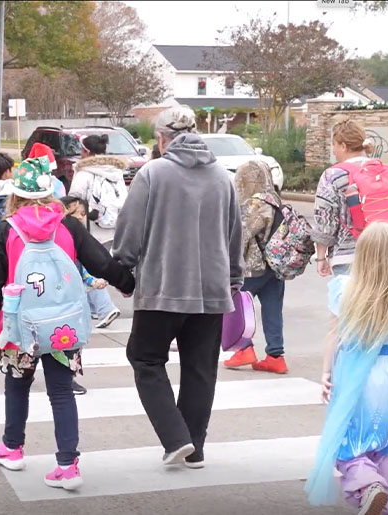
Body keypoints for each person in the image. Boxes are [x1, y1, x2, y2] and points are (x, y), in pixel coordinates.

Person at [0, 157, 134, 490]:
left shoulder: (6, 231)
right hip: (64, 326)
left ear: (14, 194)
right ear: (50, 192)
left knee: (17, 386)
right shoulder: (69, 226)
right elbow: (101, 262)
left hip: (19, 327)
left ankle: (12, 448)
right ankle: (67, 465)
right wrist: (127, 283)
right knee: (61, 392)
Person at [112, 105, 244, 469]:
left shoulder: (152, 173)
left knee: (144, 358)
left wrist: (123, 268)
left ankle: (176, 438)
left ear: (161, 138)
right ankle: (194, 448)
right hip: (212, 290)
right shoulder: (221, 175)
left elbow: (130, 230)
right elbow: (235, 231)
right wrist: (234, 276)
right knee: (201, 369)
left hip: (164, 286)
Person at [305, 222, 388, 515]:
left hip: (355, 374)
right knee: (387, 447)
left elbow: (333, 335)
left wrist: (325, 373)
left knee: (348, 442)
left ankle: (368, 485)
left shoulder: (346, 288)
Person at [313, 118, 388, 277]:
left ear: (343, 146)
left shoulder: (332, 176)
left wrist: (321, 257)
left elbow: (325, 221)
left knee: (348, 301)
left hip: (349, 259)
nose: (334, 151)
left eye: (334, 145)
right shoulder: (386, 172)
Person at [223, 161, 288, 374]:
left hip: (253, 267)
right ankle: (276, 355)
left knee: (237, 307)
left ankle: (244, 348)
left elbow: (240, 236)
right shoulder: (276, 200)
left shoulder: (256, 204)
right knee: (272, 310)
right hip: (276, 267)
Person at [60, 196, 121, 330]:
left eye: (84, 214)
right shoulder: (69, 235)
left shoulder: (72, 234)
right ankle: (104, 309)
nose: (82, 218)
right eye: (78, 214)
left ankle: (102, 309)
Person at [68, 134, 128, 229]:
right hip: (119, 227)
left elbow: (73, 202)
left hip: (92, 231)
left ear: (87, 152)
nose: (80, 154)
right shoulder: (116, 171)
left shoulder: (83, 174)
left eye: (82, 151)